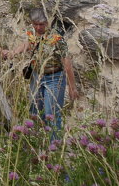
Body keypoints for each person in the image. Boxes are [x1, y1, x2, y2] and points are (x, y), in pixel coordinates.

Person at [20, 9, 77, 140]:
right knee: (34, 111)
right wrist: (13, 52)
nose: (38, 27)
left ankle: (54, 147)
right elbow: (27, 44)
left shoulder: (57, 38)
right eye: (35, 24)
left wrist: (72, 87)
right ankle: (36, 142)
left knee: (51, 113)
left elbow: (67, 63)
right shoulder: (32, 34)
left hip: (54, 77)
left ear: (47, 23)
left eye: (41, 24)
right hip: (36, 76)